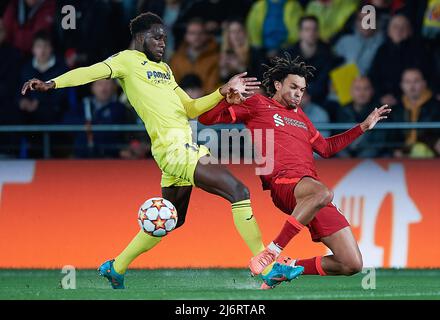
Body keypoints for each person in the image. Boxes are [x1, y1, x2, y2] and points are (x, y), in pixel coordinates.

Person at [21, 12, 300, 290]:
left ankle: (115, 267)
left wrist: (222, 92)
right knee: (239, 193)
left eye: (165, 38)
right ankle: (268, 267)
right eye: (157, 37)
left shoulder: (165, 70)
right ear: (140, 37)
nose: (162, 42)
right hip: (175, 149)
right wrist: (51, 83)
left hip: (181, 149)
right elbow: (89, 71)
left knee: (171, 220)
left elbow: (190, 108)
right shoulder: (126, 61)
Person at [198, 54, 391, 288]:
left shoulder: (301, 117)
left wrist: (362, 127)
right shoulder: (258, 104)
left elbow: (327, 148)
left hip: (310, 191)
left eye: (302, 89)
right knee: (324, 193)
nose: (299, 93)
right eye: (293, 87)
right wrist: (225, 99)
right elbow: (206, 119)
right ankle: (271, 252)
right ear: (278, 85)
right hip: (283, 182)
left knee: (351, 263)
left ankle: (284, 269)